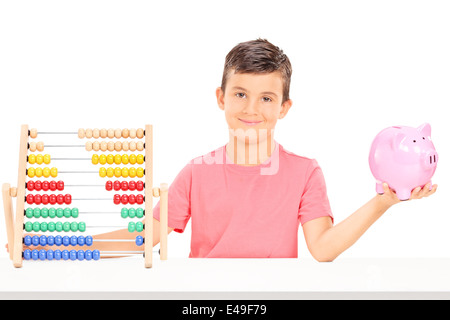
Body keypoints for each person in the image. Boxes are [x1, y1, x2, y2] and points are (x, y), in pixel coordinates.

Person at [8, 39, 437, 261]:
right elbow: (144, 237)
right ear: (220, 98)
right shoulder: (197, 172)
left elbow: (322, 248)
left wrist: (383, 202)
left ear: (284, 107)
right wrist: (52, 245)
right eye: (240, 95)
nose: (252, 109)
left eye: (267, 98)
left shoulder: (306, 172)